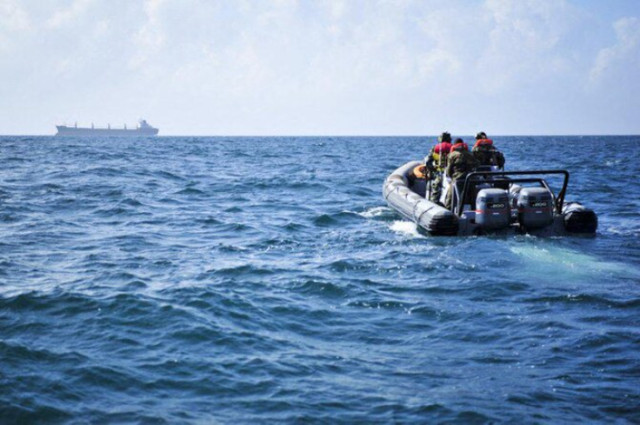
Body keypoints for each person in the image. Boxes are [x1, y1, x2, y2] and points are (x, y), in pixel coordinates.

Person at [445, 138, 478, 210]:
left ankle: (448, 211)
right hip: (471, 178)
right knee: (473, 196)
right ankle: (474, 210)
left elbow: (448, 170)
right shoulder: (470, 154)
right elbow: (477, 164)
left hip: (458, 178)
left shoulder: (452, 155)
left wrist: (451, 177)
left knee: (450, 197)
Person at [424, 132, 452, 204]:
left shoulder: (435, 148)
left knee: (435, 191)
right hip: (451, 175)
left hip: (439, 173)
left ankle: (434, 203)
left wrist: (432, 169)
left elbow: (428, 161)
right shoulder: (453, 147)